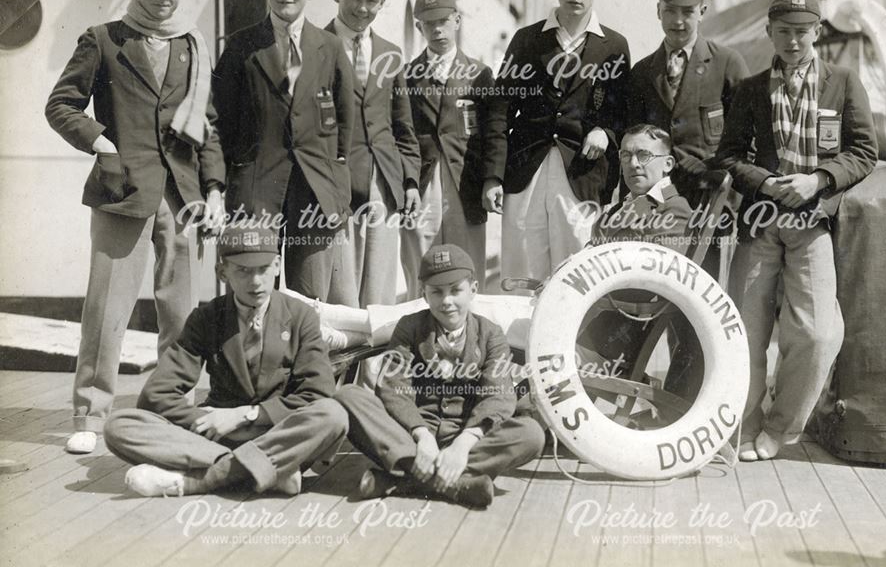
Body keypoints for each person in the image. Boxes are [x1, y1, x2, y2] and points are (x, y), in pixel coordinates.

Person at [45, 0, 225, 454]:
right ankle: (89, 413)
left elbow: (206, 128)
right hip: (122, 190)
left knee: (181, 312)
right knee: (107, 308)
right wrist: (102, 142)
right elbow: (61, 105)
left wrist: (213, 189)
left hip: (182, 195)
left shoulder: (193, 47)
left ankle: (170, 403)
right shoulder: (103, 40)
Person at [715, 0, 877, 461]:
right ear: (769, 33)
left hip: (813, 220)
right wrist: (765, 182)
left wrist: (818, 180)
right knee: (744, 327)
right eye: (783, 31)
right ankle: (742, 427)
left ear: (818, 33)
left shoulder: (843, 83)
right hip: (761, 220)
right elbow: (728, 156)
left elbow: (864, 152)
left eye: (801, 32)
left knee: (817, 332)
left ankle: (782, 426)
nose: (792, 40)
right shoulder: (749, 89)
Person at [103, 223, 349, 497]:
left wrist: (245, 417)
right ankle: (269, 471)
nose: (255, 281)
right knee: (119, 425)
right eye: (243, 270)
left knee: (333, 414)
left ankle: (200, 480)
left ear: (278, 266)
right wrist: (208, 419)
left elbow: (317, 395)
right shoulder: (206, 318)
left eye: (263, 268)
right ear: (222, 272)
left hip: (278, 433)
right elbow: (156, 395)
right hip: (220, 437)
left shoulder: (301, 316)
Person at [335, 244, 545, 508]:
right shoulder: (409, 328)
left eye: (456, 290)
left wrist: (462, 446)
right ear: (424, 294)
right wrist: (421, 436)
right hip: (411, 438)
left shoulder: (490, 333)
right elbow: (392, 386)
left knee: (531, 434)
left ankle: (403, 480)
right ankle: (456, 484)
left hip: (464, 437)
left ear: (473, 290)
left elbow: (499, 395)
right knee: (348, 396)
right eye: (437, 292)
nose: (447, 301)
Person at [212, 0, 355, 301]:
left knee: (312, 302)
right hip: (257, 190)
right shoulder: (241, 46)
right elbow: (219, 122)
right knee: (252, 295)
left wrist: (335, 184)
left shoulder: (330, 47)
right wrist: (224, 180)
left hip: (315, 193)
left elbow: (344, 124)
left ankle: (305, 359)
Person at [491, 0, 630, 283]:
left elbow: (624, 114)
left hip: (581, 176)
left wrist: (605, 133)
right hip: (526, 172)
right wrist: (492, 176)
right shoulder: (527, 41)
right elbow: (499, 110)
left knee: (577, 276)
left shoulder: (613, 46)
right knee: (523, 275)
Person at [627, 0, 749, 279]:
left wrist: (732, 200)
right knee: (658, 288)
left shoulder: (727, 64)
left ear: (703, 12)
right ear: (658, 11)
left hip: (712, 202)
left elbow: (749, 139)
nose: (678, 21)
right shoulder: (642, 73)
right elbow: (632, 143)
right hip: (659, 206)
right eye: (670, 10)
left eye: (688, 12)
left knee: (707, 293)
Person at [583, 124, 701, 412]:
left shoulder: (673, 210)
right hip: (591, 320)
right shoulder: (622, 207)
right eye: (625, 155)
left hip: (615, 330)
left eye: (644, 155)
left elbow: (652, 276)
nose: (633, 163)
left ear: (668, 164)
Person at [324, 0, 421, 307]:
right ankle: (342, 363)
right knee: (341, 291)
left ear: (383, 4)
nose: (362, 8)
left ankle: (374, 365)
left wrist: (410, 181)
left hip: (384, 182)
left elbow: (403, 127)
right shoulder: (313, 46)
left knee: (379, 292)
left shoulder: (390, 54)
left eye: (372, 1)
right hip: (335, 179)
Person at [399, 0, 504, 297]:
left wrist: (492, 179)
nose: (437, 29)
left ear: (457, 20)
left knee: (467, 267)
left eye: (444, 20)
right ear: (419, 27)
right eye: (428, 23)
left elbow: (494, 132)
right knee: (421, 266)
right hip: (422, 181)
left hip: (465, 182)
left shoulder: (480, 75)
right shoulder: (406, 76)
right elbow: (401, 133)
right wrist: (407, 182)